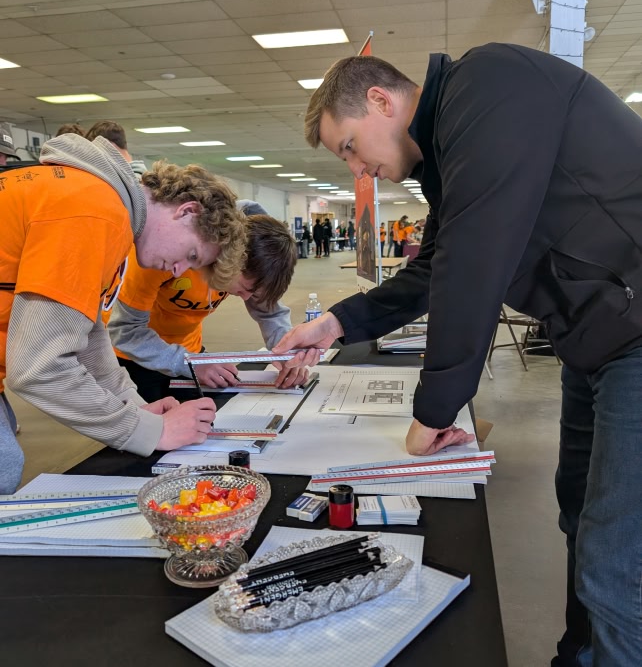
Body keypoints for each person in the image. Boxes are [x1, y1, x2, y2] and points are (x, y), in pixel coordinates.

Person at [274, 45, 642, 666]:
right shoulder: (449, 156)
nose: (357, 170)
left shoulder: (491, 84)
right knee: (579, 511)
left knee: (618, 554)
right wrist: (338, 321)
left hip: (637, 331)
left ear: (381, 101)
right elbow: (437, 268)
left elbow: (475, 258)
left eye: (349, 148)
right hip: (595, 341)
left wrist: (434, 412)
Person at [1, 134, 247, 494]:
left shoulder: (98, 202)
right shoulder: (95, 210)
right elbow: (39, 369)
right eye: (192, 255)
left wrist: (133, 407)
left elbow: (88, 336)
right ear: (187, 210)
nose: (179, 271)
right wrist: (149, 432)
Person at [105, 205, 303, 403]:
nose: (245, 298)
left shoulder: (250, 263)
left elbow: (269, 312)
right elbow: (125, 331)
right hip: (135, 355)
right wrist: (191, 364)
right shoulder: (163, 257)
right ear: (232, 260)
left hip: (188, 350)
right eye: (244, 288)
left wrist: (286, 351)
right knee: (151, 426)